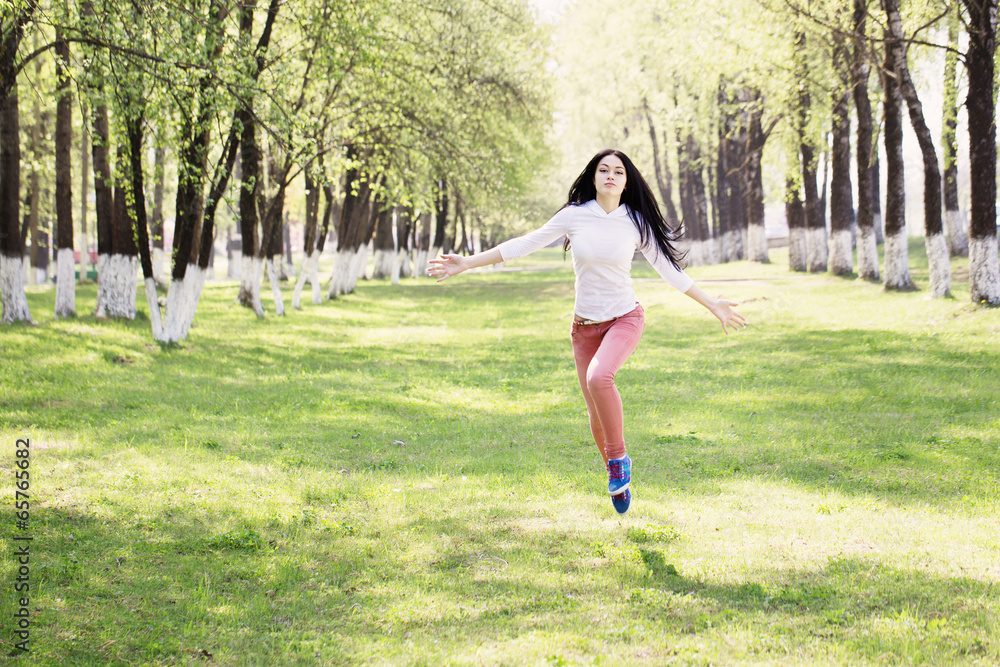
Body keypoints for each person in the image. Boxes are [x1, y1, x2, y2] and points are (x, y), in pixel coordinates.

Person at [428, 149, 746, 515]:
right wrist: (468, 262)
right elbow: (525, 244)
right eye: (603, 170)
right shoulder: (574, 217)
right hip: (584, 329)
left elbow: (669, 271)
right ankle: (618, 477)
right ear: (593, 177)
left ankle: (618, 460)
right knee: (595, 414)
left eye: (618, 172)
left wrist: (712, 303)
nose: (611, 176)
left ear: (627, 182)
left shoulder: (636, 221)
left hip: (625, 318)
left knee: (600, 377)